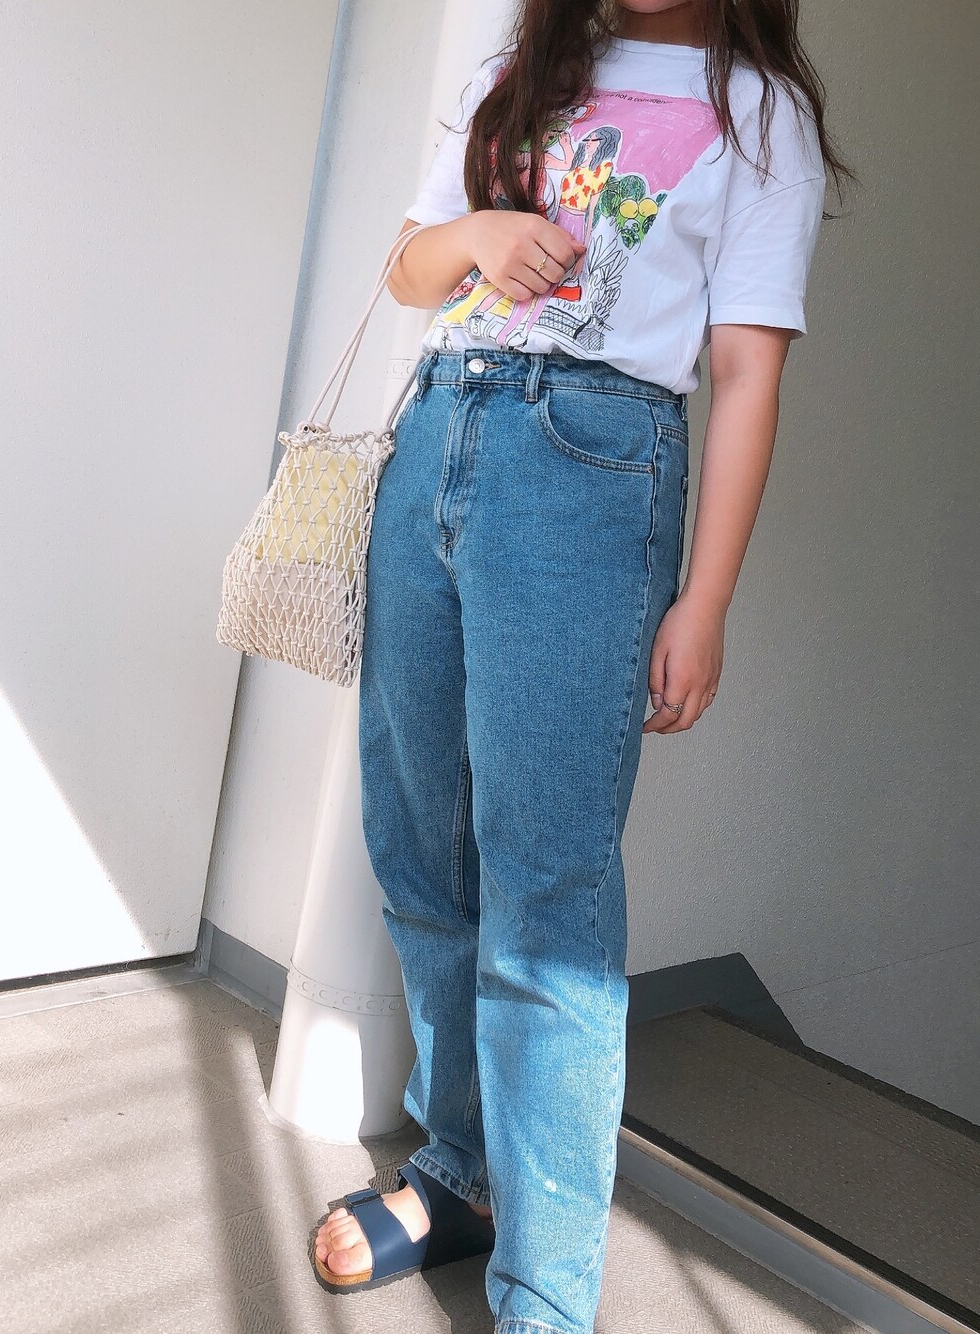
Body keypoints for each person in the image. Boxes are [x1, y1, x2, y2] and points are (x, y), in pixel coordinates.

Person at [314, 2, 854, 1331]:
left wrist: (706, 598)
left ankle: (547, 1297)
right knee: (420, 844)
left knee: (547, 885)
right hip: (435, 444)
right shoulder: (519, 63)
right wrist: (479, 238)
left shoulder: (758, 112)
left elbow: (746, 371)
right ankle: (461, 1170)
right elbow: (409, 269)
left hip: (591, 467)